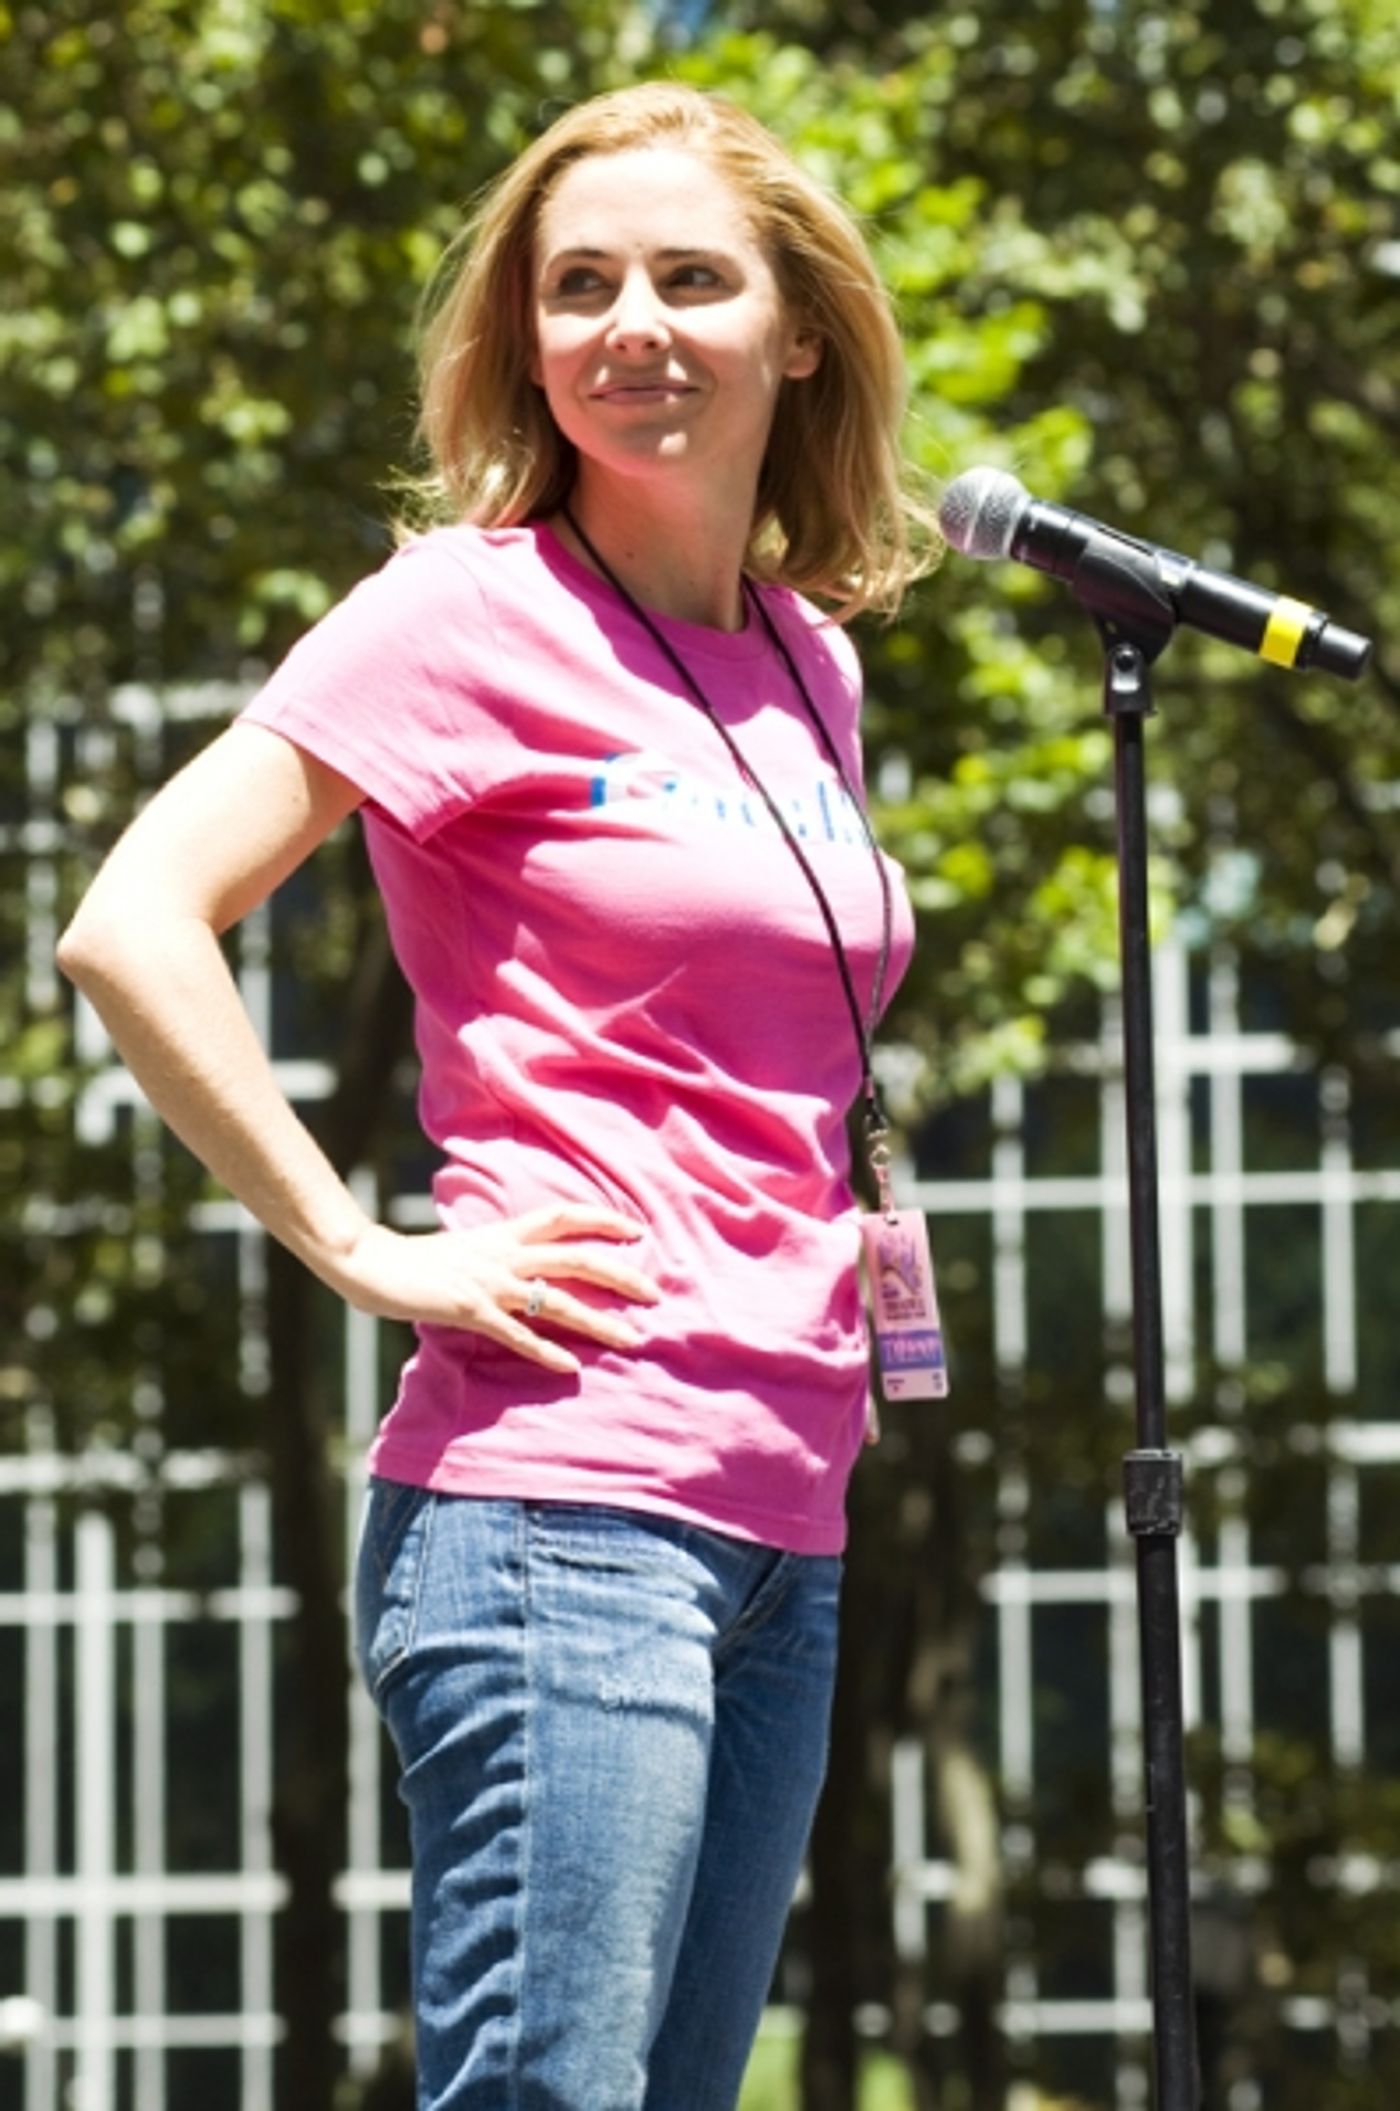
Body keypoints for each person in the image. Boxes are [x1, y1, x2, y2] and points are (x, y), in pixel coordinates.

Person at [58, 80, 933, 2111]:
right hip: (560, 1500)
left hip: (784, 1508)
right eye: (580, 286)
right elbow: (132, 921)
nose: (633, 324)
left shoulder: (809, 658)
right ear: (527, 342)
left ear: (801, 333)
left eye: (690, 278)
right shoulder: (466, 610)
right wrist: (358, 1243)